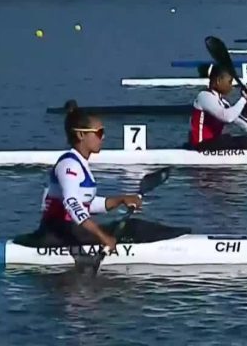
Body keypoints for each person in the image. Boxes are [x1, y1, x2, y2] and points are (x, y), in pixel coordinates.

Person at [13, 102, 188, 252]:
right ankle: (181, 243)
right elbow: (72, 203)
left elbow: (87, 203)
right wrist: (103, 237)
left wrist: (120, 199)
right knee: (132, 228)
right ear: (81, 135)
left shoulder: (80, 164)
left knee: (130, 226)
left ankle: (183, 235)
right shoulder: (70, 165)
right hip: (56, 233)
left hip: (69, 230)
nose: (103, 138)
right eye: (98, 133)